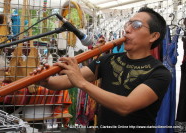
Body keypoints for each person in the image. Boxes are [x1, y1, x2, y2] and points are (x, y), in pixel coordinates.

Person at [31, 7, 171, 133]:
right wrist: (45, 80)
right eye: (128, 24)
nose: (127, 29)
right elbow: (63, 82)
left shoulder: (160, 73)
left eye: (136, 26)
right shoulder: (108, 60)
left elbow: (126, 106)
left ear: (153, 36)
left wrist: (81, 82)